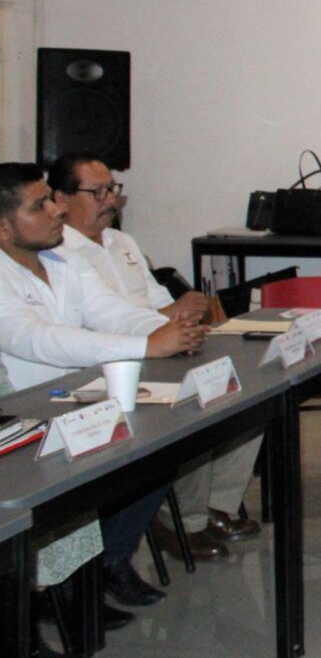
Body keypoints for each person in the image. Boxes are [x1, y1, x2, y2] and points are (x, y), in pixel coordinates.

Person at [0, 162, 207, 641]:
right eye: (40, 205)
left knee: (162, 444)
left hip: (76, 399)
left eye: (52, 199)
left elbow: (109, 312)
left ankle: (99, 569)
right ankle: (48, 605)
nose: (56, 211)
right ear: (4, 228)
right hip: (24, 417)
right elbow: (37, 339)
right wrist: (147, 345)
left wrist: (166, 330)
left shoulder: (60, 258)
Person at [46, 153, 259, 565]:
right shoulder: (59, 254)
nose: (110, 200)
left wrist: (183, 315)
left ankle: (217, 506)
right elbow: (91, 327)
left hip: (159, 346)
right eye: (97, 192)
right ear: (61, 198)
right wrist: (165, 323)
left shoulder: (122, 243)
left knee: (247, 392)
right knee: (199, 406)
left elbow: (156, 303)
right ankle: (182, 522)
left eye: (112, 190)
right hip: (113, 364)